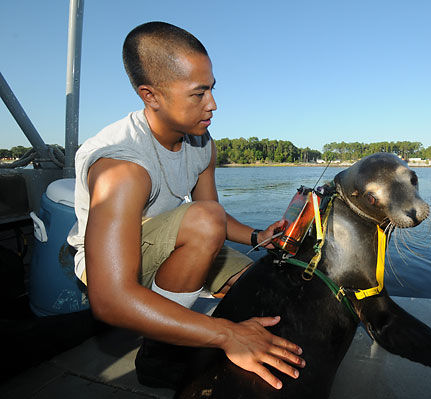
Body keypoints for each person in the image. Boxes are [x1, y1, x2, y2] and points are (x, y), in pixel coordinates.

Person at [66, 21, 305, 390]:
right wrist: (226, 334)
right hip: (109, 268)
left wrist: (259, 235)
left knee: (264, 291)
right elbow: (109, 299)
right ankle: (158, 356)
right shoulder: (122, 168)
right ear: (151, 95)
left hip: (174, 240)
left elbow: (214, 215)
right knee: (204, 224)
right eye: (198, 94)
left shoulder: (201, 142)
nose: (212, 105)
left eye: (211, 89)